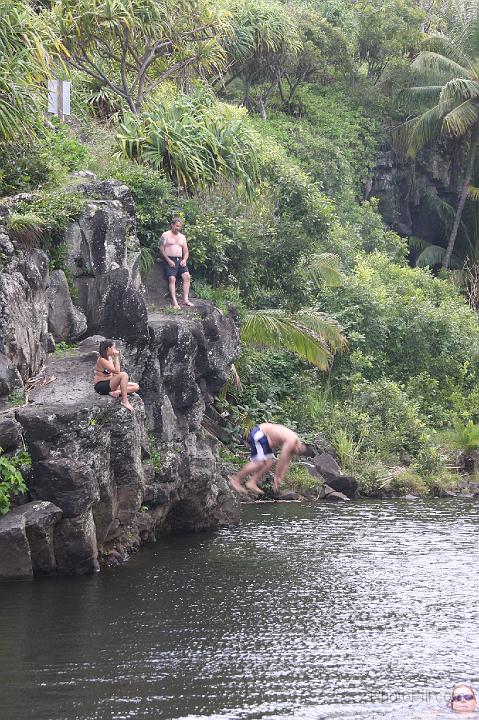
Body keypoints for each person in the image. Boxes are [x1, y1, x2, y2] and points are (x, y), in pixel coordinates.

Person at [228, 423, 313, 495]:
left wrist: (280, 478)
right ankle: (235, 479)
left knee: (269, 462)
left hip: (265, 439)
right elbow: (282, 459)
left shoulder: (295, 445)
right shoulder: (292, 440)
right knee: (260, 462)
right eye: (295, 452)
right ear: (297, 447)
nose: (293, 453)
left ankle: (252, 482)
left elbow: (287, 462)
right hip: (259, 433)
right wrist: (277, 476)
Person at [93, 339, 139, 413]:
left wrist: (119, 382)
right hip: (101, 386)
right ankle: (125, 401)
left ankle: (116, 392)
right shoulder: (102, 360)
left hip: (110, 384)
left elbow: (115, 373)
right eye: (114, 347)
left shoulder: (109, 358)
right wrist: (117, 357)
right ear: (108, 348)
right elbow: (117, 371)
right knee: (124, 374)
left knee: (136, 386)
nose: (115, 349)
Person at [159, 217, 193, 309]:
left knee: (187, 276)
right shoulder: (165, 235)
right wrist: (168, 260)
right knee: (172, 278)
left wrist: (184, 260)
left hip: (180, 260)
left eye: (179, 227)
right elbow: (161, 249)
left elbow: (186, 251)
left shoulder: (182, 237)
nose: (178, 228)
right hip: (169, 259)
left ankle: (185, 299)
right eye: (176, 226)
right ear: (172, 225)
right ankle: (175, 302)